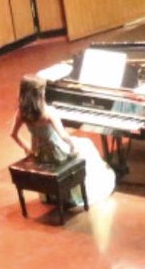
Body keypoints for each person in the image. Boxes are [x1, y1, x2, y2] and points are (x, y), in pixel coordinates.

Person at [9, 74, 116, 207]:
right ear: (41, 94)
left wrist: (27, 149)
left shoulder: (22, 113)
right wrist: (73, 146)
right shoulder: (48, 112)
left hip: (39, 154)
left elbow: (13, 134)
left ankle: (54, 193)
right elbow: (64, 136)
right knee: (86, 144)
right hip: (57, 154)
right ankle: (74, 194)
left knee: (81, 144)